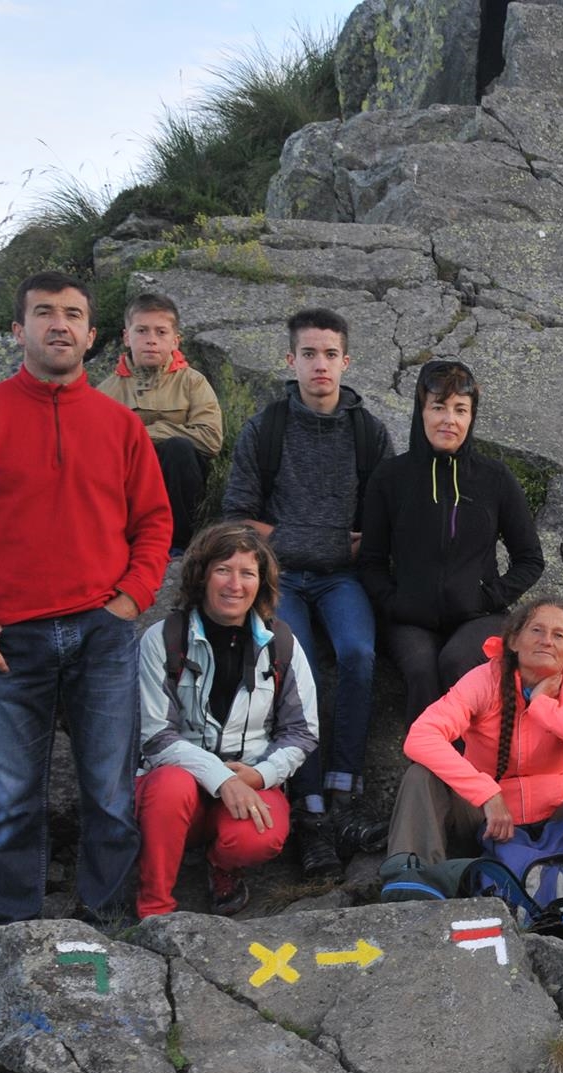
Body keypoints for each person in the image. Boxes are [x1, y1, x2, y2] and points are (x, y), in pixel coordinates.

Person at [0, 272, 171, 924]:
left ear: (91, 336)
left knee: (111, 793)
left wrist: (131, 599)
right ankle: (14, 926)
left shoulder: (120, 425)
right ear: (19, 330)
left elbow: (154, 523)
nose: (58, 324)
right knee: (12, 800)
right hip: (6, 640)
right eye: (43, 313)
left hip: (102, 632)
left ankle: (107, 920)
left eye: (72, 314)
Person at [222, 308, 390, 877]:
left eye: (330, 354)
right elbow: (238, 514)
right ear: (290, 360)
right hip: (281, 576)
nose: (321, 365)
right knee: (300, 668)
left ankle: (345, 794)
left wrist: (353, 545)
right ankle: (311, 809)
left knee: (359, 654)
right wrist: (316, 540)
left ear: (347, 361)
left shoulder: (368, 433)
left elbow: (383, 519)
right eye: (309, 354)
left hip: (343, 578)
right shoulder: (265, 429)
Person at [386, 598, 563, 919]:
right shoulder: (485, 679)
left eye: (559, 635)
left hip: (559, 821)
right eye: (537, 630)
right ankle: (414, 894)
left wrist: (543, 706)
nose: (547, 640)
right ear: (514, 641)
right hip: (486, 822)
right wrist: (486, 794)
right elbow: (421, 735)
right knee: (422, 775)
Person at [135, 523, 318, 918]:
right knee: (169, 788)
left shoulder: (281, 642)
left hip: (249, 777)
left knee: (260, 837)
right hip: (176, 783)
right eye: (223, 570)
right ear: (201, 575)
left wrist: (260, 775)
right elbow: (156, 736)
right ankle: (154, 906)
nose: (235, 584)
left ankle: (222, 865)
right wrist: (221, 779)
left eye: (247, 573)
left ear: (261, 583)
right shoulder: (162, 639)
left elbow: (301, 732)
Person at [359, 357, 544, 722]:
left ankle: (467, 760)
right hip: (409, 618)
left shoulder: (495, 478)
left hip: (479, 615)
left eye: (461, 409)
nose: (449, 420)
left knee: (458, 662)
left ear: (472, 416)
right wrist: (394, 602)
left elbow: (530, 559)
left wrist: (488, 596)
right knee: (421, 668)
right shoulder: (390, 478)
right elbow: (371, 560)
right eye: (438, 407)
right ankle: (424, 759)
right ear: (421, 411)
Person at [95, 291, 223, 556]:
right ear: (127, 337)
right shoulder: (105, 392)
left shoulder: (193, 382)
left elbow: (211, 439)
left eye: (161, 332)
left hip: (178, 480)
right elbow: (92, 450)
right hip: (128, 479)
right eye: (142, 331)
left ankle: (177, 546)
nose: (151, 340)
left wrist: (143, 435)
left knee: (179, 449)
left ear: (175, 341)